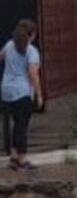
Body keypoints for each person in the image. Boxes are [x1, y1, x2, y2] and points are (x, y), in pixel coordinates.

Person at [1, 20, 42, 171]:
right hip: (22, 92)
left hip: (6, 90)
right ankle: (23, 158)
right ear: (32, 35)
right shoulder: (31, 51)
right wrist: (39, 94)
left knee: (14, 124)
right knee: (21, 126)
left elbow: (1, 57)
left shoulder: (9, 45)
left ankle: (13, 157)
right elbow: (33, 74)